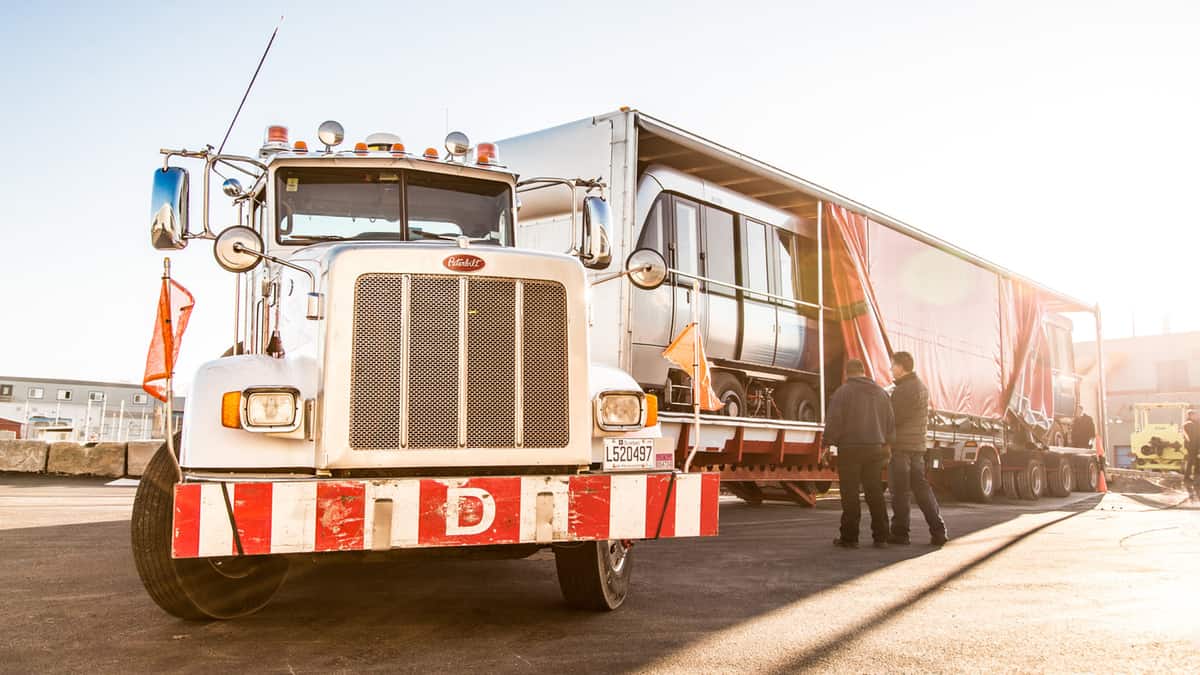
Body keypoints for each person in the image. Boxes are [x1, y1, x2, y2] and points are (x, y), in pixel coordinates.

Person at [823, 359, 895, 549]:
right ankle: (881, 537)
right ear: (864, 372)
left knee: (850, 494)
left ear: (847, 373)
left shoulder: (843, 392)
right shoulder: (881, 393)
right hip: (875, 449)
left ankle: (850, 537)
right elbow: (890, 423)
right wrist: (887, 445)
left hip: (850, 449)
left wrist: (826, 444)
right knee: (875, 493)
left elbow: (834, 420)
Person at [887, 352, 948, 546]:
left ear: (901, 367)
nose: (891, 369)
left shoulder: (904, 390)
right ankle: (938, 530)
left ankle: (900, 533)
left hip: (902, 447)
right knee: (922, 489)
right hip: (917, 447)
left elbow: (894, 418)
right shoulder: (921, 386)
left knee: (901, 491)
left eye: (893, 366)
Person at [1183, 410, 1200, 482]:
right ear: (1190, 415)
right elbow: (1193, 437)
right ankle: (1188, 477)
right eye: (1194, 415)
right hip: (1192, 446)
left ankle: (1195, 476)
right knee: (1191, 461)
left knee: (1196, 461)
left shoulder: (1194, 423)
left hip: (1194, 445)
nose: (1196, 416)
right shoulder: (1189, 424)